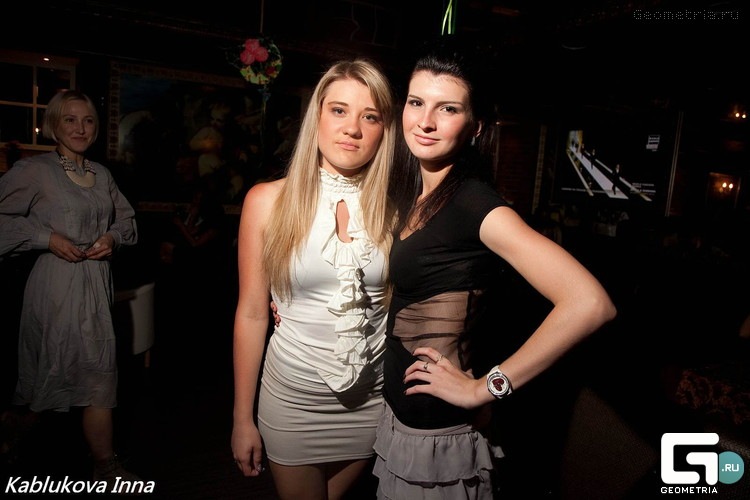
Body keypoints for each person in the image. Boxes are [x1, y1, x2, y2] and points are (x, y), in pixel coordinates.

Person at [371, 40, 617, 499]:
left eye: (447, 109)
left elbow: (590, 303)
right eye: (416, 102)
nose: (425, 121)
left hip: (437, 434)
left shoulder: (475, 203)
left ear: (476, 127)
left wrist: (486, 388)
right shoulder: (415, 194)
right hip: (403, 417)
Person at [231, 59, 397, 499]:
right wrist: (241, 418)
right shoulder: (267, 201)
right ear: (317, 116)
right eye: (339, 110)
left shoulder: (399, 211)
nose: (352, 128)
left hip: (371, 404)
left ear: (384, 130)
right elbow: (252, 314)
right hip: (292, 402)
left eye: (370, 116)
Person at [0, 90, 139, 486]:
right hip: (55, 287)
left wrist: (111, 238)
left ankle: (105, 466)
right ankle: (12, 431)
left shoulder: (103, 175)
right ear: (53, 126)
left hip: (96, 285)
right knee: (52, 375)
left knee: (100, 375)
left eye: (88, 120)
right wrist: (44, 238)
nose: (80, 128)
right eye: (70, 120)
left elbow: (126, 221)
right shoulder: (34, 171)